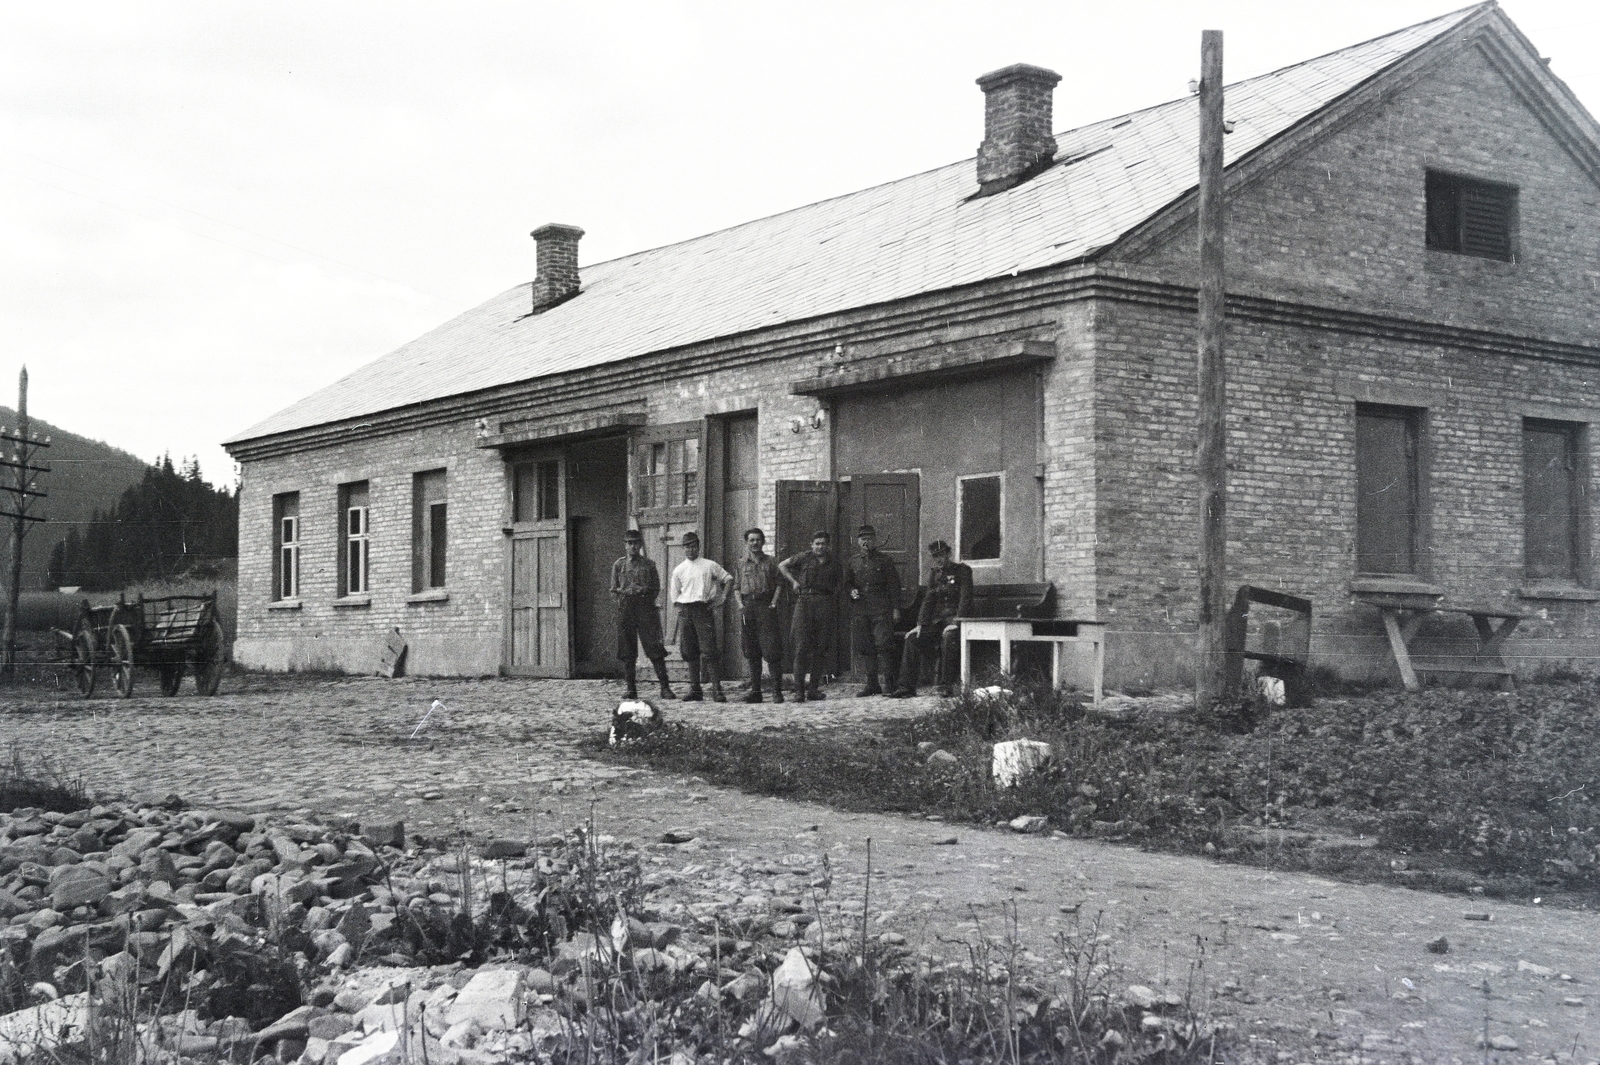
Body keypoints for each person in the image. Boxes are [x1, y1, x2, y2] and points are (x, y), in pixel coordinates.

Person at [892, 539, 973, 698]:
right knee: (913, 638)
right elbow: (928, 600)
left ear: (948, 553)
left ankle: (946, 685)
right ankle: (906, 687)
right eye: (935, 556)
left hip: (956, 622)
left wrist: (958, 622)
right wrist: (920, 624)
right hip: (938, 622)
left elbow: (966, 598)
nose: (938, 559)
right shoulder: (935, 574)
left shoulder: (962, 571)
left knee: (949, 637)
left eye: (941, 555)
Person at [610, 529, 676, 700]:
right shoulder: (619, 565)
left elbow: (656, 589)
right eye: (629, 543)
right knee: (627, 650)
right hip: (626, 609)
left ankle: (665, 687)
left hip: (645, 609)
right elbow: (613, 590)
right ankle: (631, 689)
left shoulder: (649, 565)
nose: (633, 546)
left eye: (636, 543)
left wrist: (642, 591)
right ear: (625, 545)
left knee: (654, 647)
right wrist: (622, 597)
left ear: (640, 545)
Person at [668, 531, 732, 702]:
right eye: (687, 546)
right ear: (683, 549)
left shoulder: (709, 565)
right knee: (689, 651)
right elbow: (674, 594)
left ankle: (717, 690)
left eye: (694, 546)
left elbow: (728, 579)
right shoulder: (679, 570)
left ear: (699, 546)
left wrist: (722, 598)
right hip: (686, 611)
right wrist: (680, 610)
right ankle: (695, 689)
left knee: (709, 650)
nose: (691, 549)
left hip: (703, 610)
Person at [778, 530, 841, 702]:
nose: (820, 546)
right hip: (804, 602)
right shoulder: (803, 558)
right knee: (800, 647)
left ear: (828, 545)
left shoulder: (834, 562)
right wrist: (794, 581)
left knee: (820, 648)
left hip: (824, 604)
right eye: (817, 543)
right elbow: (782, 565)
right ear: (811, 545)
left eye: (823, 543)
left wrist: (830, 601)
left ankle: (813, 689)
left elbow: (839, 584)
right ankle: (799, 690)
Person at [845, 524, 901, 696]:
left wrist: (896, 609)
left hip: (881, 609)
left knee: (884, 645)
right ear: (857, 541)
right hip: (861, 610)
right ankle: (872, 684)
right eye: (862, 539)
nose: (865, 542)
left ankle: (890, 685)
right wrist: (851, 591)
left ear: (874, 540)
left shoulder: (885, 561)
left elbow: (894, 586)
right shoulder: (852, 561)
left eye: (869, 538)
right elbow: (847, 584)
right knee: (866, 647)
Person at [733, 527, 786, 703]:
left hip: (765, 607)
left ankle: (777, 692)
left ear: (763, 542)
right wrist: (741, 605)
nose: (755, 543)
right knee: (752, 650)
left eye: (758, 540)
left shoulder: (771, 562)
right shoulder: (740, 563)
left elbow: (779, 583)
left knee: (771, 650)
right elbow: (736, 588)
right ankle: (756, 692)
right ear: (746, 543)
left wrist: (774, 602)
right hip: (748, 607)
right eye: (751, 540)